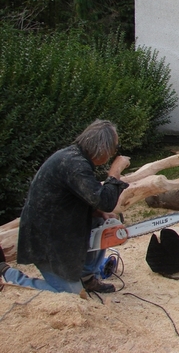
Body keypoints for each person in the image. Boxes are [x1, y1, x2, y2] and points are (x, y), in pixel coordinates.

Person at [0, 119, 130, 294]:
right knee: (72, 294)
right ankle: (10, 275)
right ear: (103, 148)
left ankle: (87, 277)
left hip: (61, 227)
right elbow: (105, 201)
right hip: (47, 240)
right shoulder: (74, 165)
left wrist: (98, 212)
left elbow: (73, 199)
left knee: (102, 224)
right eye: (113, 148)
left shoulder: (76, 158)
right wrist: (115, 172)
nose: (114, 152)